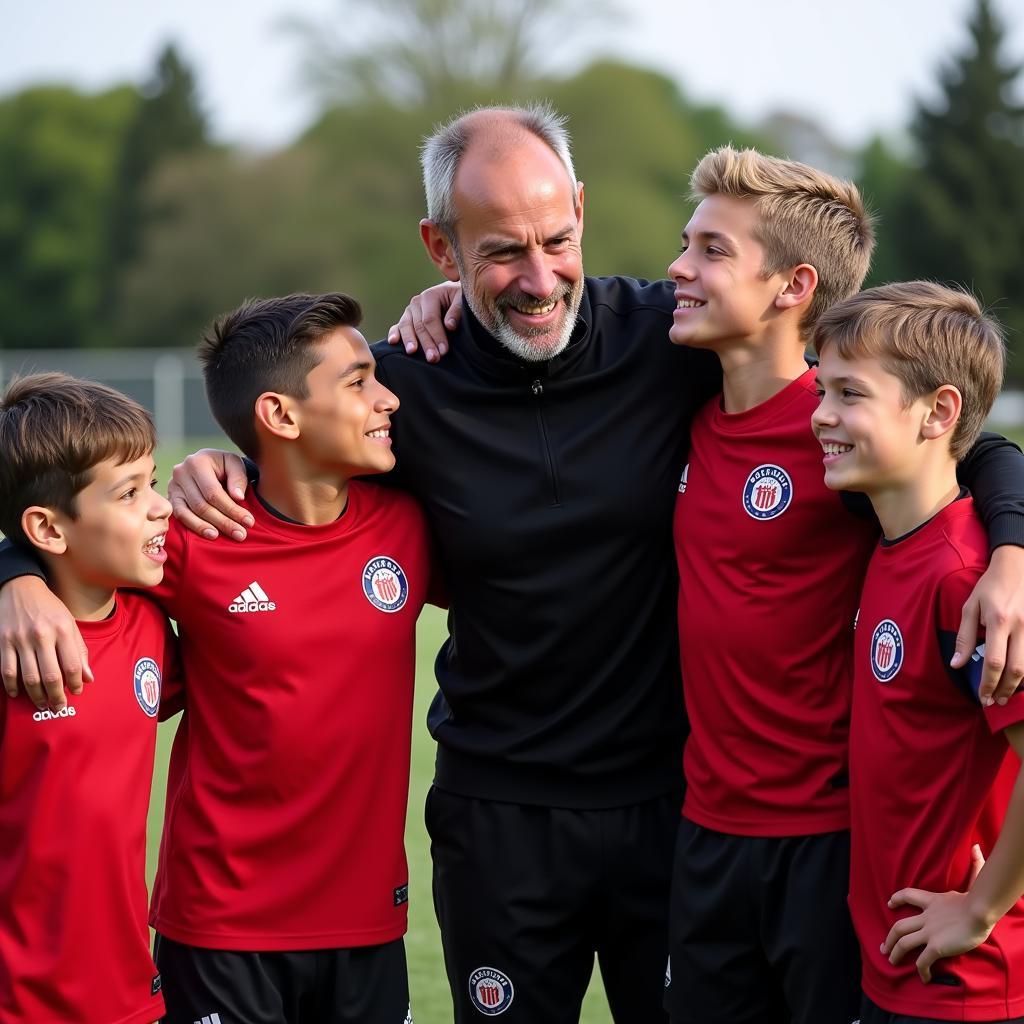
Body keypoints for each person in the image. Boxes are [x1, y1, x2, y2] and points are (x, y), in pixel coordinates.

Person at [3, 105, 1024, 1022]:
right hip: (498, 813)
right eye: (498, 253)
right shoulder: (402, 389)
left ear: (580, 210)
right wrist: (14, 565)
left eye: (556, 240)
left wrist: (1012, 547)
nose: (537, 279)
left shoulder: (670, 344)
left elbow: (939, 433)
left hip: (674, 809)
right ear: (438, 248)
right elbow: (218, 470)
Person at [0, 294, 439, 1024]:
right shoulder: (194, 538)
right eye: (358, 381)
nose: (386, 397)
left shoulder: (411, 526)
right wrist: (12, 573)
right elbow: (71, 541)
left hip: (368, 925)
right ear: (281, 415)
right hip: (219, 930)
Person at [663, 146, 876, 1024]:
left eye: (713, 251)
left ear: (792, 286)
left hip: (826, 844)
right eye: (687, 242)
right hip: (704, 835)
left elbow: (973, 477)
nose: (679, 266)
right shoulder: (674, 402)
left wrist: (1013, 556)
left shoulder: (852, 428)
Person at [813, 282, 1024, 1024]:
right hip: (895, 969)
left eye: (850, 394)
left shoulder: (966, 581)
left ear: (937, 412)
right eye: (821, 388)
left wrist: (979, 908)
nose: (821, 415)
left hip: (963, 983)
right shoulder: (887, 538)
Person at [0, 373, 178, 1024]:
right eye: (130, 493)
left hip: (132, 996)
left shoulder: (151, 624)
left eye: (153, 481)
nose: (160, 506)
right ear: (48, 528)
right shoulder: (9, 655)